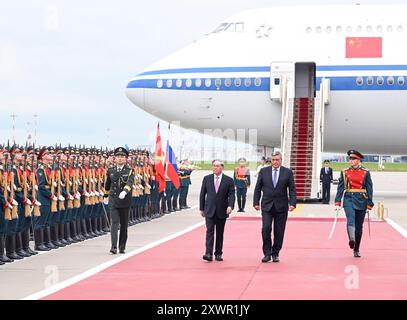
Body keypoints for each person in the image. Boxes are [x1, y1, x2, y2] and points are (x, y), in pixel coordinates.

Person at [253, 151, 296, 263]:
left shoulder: (288, 172)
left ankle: (275, 253)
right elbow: (258, 187)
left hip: (281, 206)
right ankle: (267, 253)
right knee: (266, 228)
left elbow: (292, 189)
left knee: (279, 231)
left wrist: (292, 203)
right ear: (270, 160)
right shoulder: (263, 171)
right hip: (267, 205)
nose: (275, 162)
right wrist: (256, 202)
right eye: (273, 160)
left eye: (277, 160)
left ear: (281, 160)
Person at [334, 150, 374, 258]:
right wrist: (337, 201)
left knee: (359, 227)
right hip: (349, 199)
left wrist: (370, 203)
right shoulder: (345, 172)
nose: (350, 161)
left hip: (361, 200)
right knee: (350, 219)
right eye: (350, 159)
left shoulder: (366, 172)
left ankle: (356, 249)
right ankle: (351, 240)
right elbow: (340, 187)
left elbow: (369, 188)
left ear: (358, 160)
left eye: (353, 159)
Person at [199, 159, 235, 262]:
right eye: (214, 166)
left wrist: (230, 206)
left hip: (222, 210)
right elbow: (202, 194)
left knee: (220, 232)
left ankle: (218, 253)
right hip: (209, 210)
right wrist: (201, 208)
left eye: (217, 166)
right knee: (209, 231)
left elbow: (232, 195)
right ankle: (208, 253)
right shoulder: (207, 179)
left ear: (222, 167)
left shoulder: (229, 180)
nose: (215, 168)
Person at [104, 147, 135, 254]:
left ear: (126, 159)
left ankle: (122, 246)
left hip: (125, 200)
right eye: (118, 156)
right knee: (114, 223)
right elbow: (108, 184)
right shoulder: (111, 170)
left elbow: (130, 183)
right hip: (113, 200)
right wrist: (105, 195)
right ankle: (113, 246)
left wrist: (125, 191)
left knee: (124, 224)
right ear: (115, 158)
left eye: (122, 157)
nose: (120, 158)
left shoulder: (129, 171)